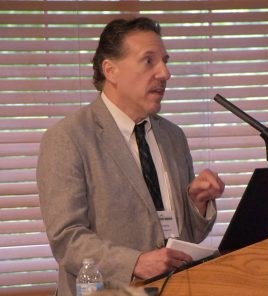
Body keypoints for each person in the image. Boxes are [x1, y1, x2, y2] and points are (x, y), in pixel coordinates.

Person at [37, 17, 225, 296]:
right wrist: (134, 262)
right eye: (149, 61)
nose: (165, 73)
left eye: (165, 61)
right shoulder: (67, 139)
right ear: (110, 70)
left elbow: (182, 239)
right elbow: (67, 240)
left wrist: (197, 204)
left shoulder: (173, 137)